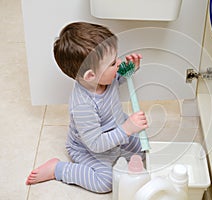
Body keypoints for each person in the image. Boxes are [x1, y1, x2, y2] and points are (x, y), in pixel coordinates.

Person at [26, 22, 148, 193]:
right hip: (88, 148)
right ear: (91, 75)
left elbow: (116, 80)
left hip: (114, 132)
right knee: (104, 182)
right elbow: (96, 144)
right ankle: (58, 169)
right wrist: (127, 129)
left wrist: (130, 69)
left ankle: (123, 148)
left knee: (143, 149)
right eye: (113, 63)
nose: (118, 63)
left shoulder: (103, 78)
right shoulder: (83, 105)